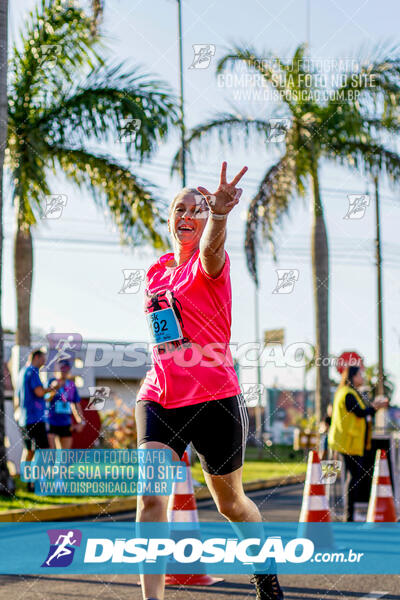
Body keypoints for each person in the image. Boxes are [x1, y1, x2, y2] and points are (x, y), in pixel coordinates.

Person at [135, 162, 284, 600]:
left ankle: (265, 578)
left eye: (195, 209)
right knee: (150, 499)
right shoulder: (157, 270)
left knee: (231, 504)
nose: (186, 214)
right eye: (180, 208)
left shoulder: (210, 264)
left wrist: (218, 216)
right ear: (170, 218)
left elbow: (212, 252)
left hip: (214, 397)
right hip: (159, 395)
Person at [328, 365, 388, 521]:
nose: (362, 378)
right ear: (353, 377)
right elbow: (359, 413)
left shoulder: (349, 393)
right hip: (346, 442)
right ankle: (348, 516)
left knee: (352, 477)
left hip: (347, 442)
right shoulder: (347, 393)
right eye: (360, 375)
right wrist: (376, 407)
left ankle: (348, 515)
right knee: (353, 478)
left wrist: (373, 408)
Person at [15, 349, 56, 490]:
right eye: (43, 359)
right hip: (35, 419)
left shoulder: (22, 372)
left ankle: (27, 481)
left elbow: (27, 396)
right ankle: (35, 482)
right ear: (37, 357)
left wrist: (47, 395)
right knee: (42, 450)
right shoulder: (33, 371)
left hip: (23, 419)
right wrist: (51, 389)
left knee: (29, 450)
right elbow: (39, 391)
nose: (44, 363)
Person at [46, 359, 85, 449]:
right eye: (61, 368)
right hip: (51, 422)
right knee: (50, 454)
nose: (64, 371)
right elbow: (45, 399)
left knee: (64, 455)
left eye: (66, 369)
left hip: (65, 422)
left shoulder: (71, 385)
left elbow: (76, 405)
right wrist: (53, 390)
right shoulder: (51, 382)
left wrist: (80, 421)